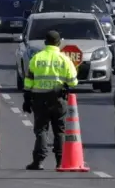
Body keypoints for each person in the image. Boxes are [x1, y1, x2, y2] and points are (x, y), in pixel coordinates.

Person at [22, 30, 78, 170]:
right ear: (59, 43)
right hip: (58, 99)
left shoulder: (37, 58)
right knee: (59, 131)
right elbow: (73, 82)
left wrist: (27, 99)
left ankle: (38, 161)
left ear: (45, 43)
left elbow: (28, 80)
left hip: (39, 99)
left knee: (41, 130)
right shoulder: (64, 59)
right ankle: (60, 161)